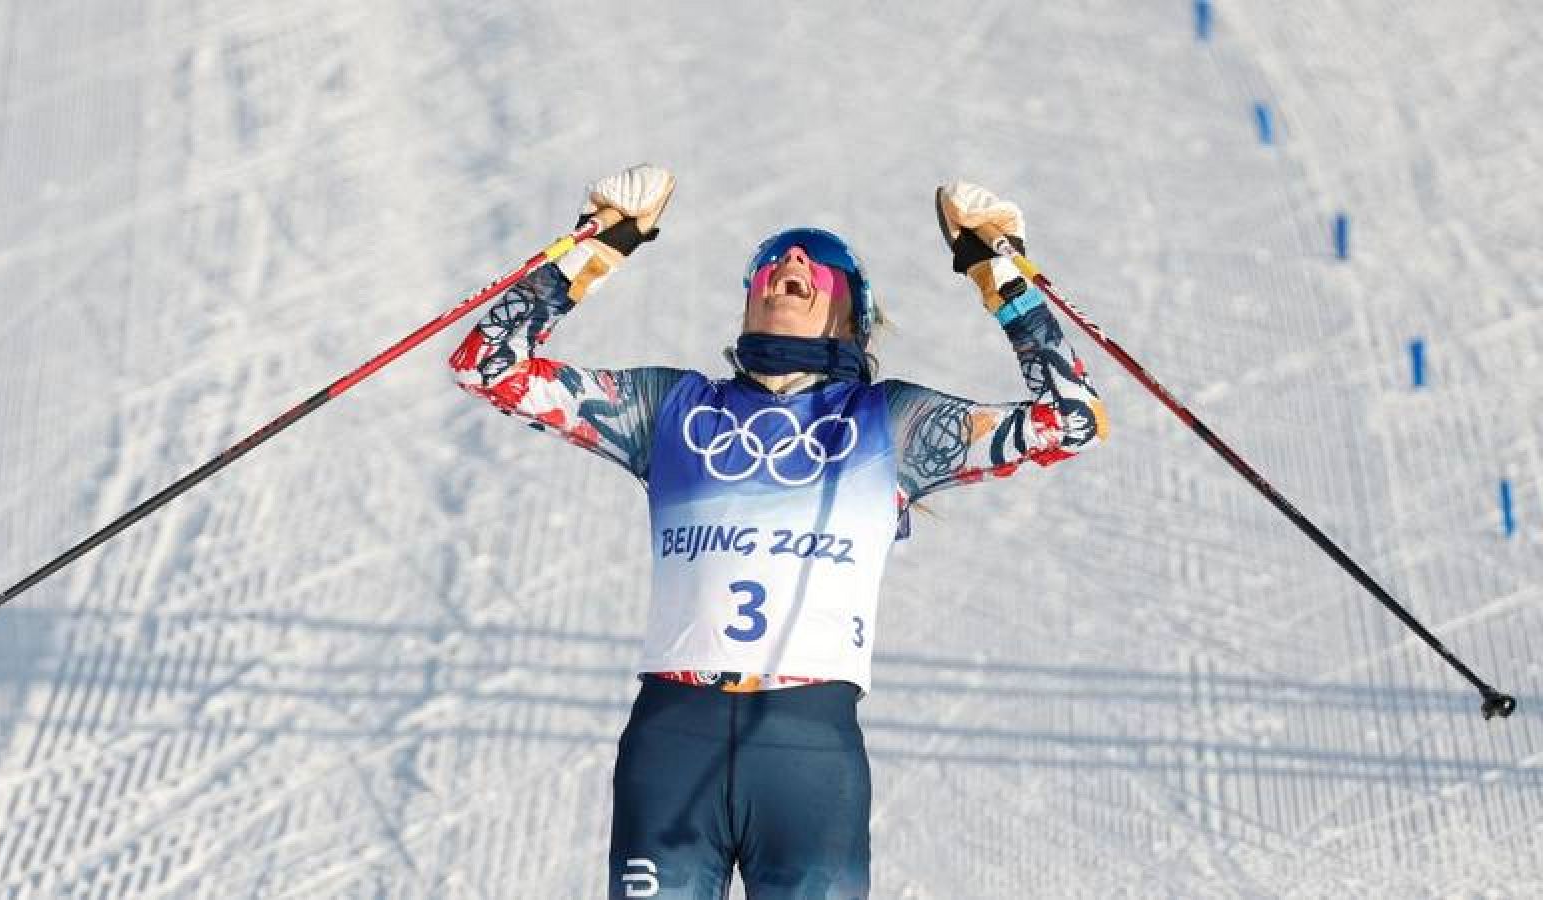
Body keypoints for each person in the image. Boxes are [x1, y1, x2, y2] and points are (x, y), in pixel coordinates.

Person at [449, 164, 1108, 898]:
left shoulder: (892, 423)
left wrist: (999, 269)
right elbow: (488, 366)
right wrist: (597, 246)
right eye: (772, 260)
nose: (791, 261)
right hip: (671, 742)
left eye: (817, 261)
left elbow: (1069, 419)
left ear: (850, 316)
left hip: (807, 752)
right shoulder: (668, 407)